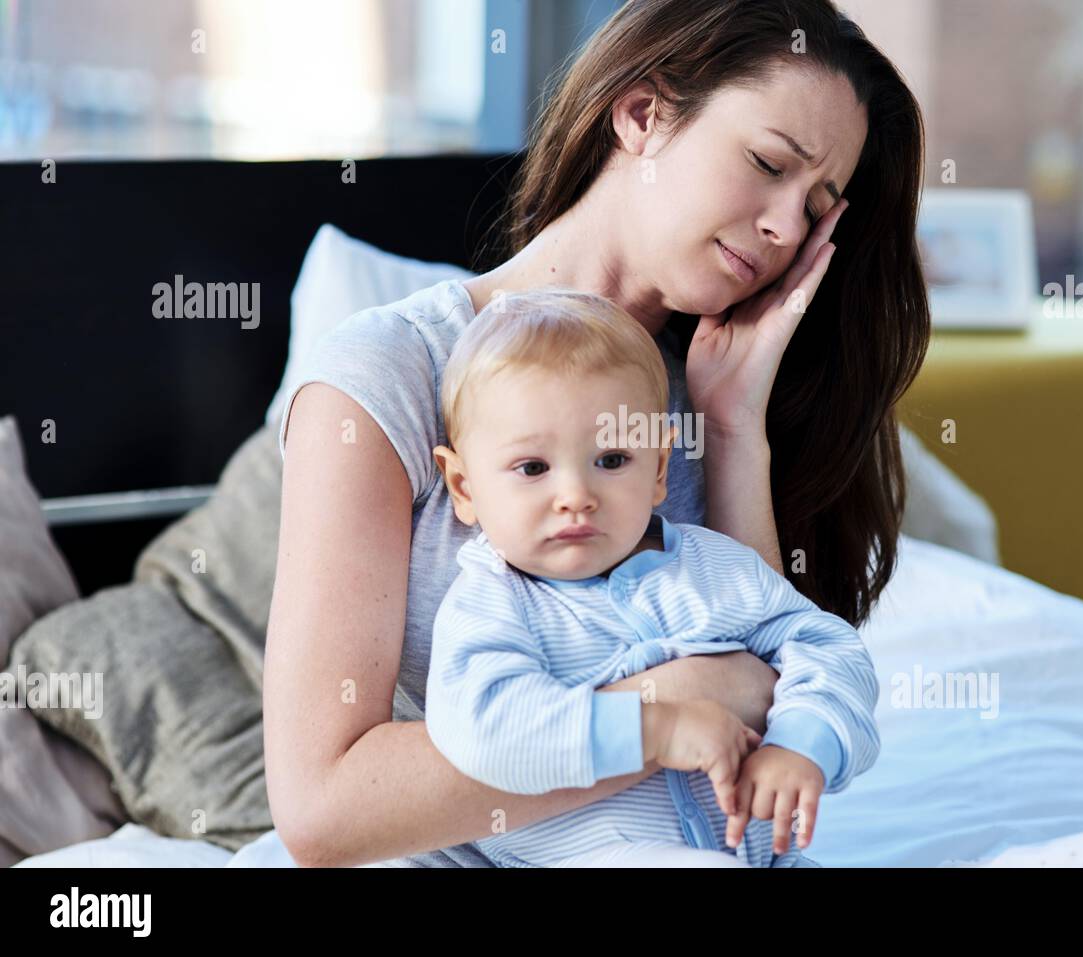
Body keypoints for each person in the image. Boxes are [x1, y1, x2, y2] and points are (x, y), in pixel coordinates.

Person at [265, 0, 929, 867]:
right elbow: (324, 808)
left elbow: (764, 697)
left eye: (815, 207)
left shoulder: (713, 396)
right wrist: (666, 709)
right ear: (643, 115)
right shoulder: (390, 374)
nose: (783, 227)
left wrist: (733, 426)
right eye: (767, 163)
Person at [423, 289, 880, 867]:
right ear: (464, 487)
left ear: (660, 468)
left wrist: (801, 742)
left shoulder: (713, 567)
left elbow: (829, 647)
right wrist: (654, 727)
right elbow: (487, 729)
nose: (575, 497)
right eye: (533, 468)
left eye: (611, 460)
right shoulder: (491, 604)